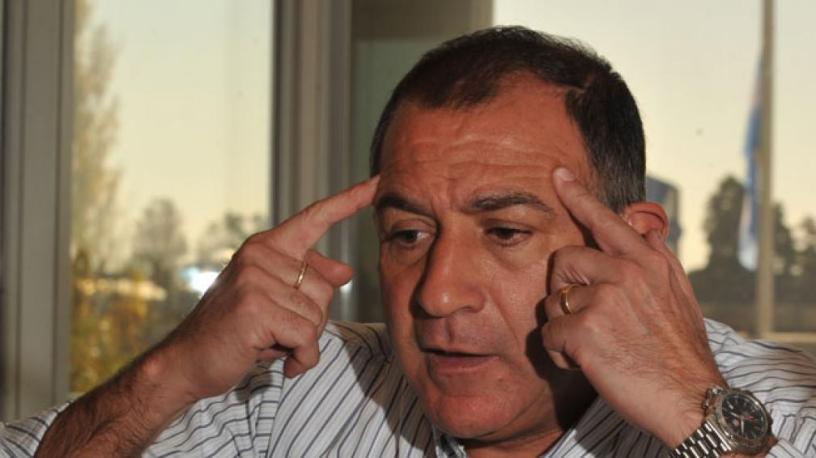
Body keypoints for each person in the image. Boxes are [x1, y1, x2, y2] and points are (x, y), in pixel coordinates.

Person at [3, 26, 815, 457]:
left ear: (630, 248)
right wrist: (168, 375)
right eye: (408, 233)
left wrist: (700, 419)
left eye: (504, 231)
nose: (436, 291)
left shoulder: (788, 411)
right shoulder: (291, 396)